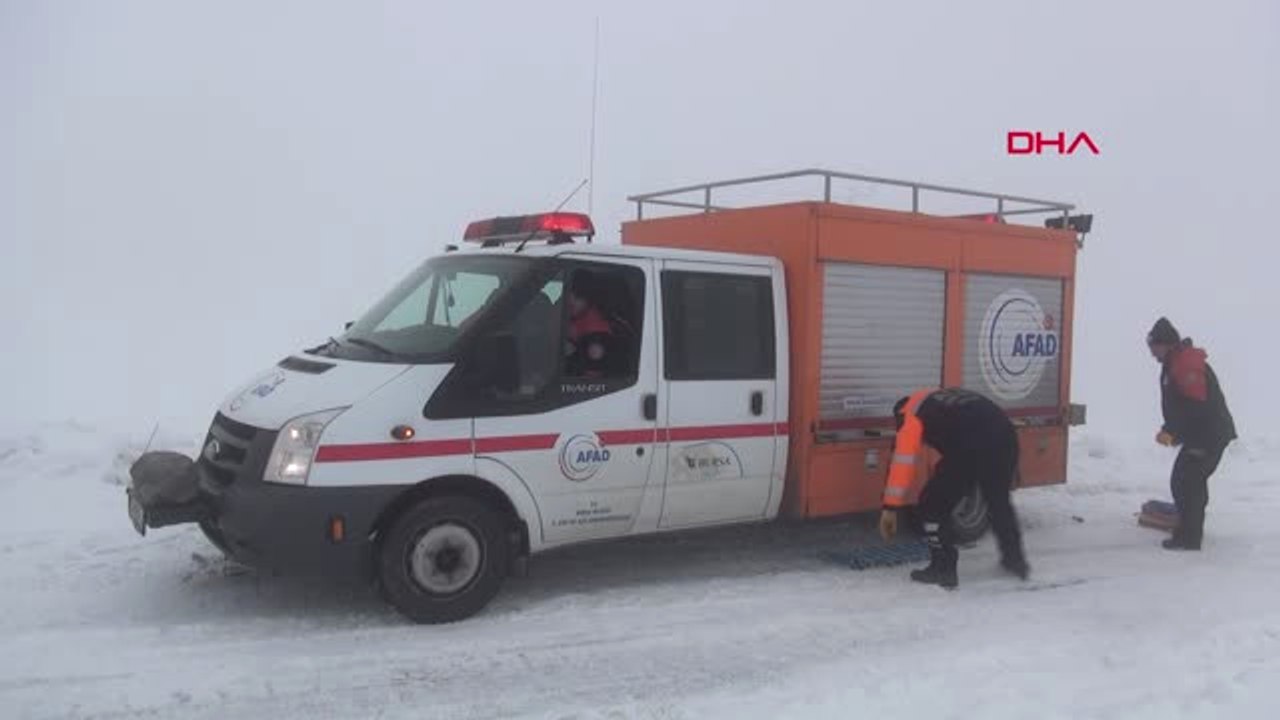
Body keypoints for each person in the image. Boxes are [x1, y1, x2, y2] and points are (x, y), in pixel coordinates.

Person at [878, 387, 1030, 589]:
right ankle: (1015, 561)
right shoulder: (936, 399)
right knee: (998, 502)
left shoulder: (910, 416)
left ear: (899, 414)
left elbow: (902, 463)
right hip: (1005, 437)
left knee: (932, 504)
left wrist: (890, 508)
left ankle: (942, 569)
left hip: (972, 445)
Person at [1146, 317, 1237, 550]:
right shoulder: (1176, 362)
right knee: (1188, 481)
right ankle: (1188, 533)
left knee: (1186, 482)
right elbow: (1182, 406)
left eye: (1153, 347)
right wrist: (1171, 430)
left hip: (1208, 435)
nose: (1152, 353)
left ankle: (1189, 538)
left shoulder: (1185, 364)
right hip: (1203, 434)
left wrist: (1172, 430)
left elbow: (1196, 406)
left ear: (1165, 344)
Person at [564, 271, 615, 378]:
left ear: (589, 297)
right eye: (568, 293)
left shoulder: (597, 333)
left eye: (578, 295)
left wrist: (573, 353)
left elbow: (590, 380)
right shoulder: (570, 315)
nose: (571, 300)